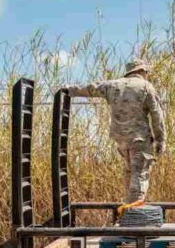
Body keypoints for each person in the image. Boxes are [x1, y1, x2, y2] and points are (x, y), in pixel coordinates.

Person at [64, 59, 166, 204]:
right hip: (139, 139)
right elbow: (157, 115)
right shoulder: (145, 86)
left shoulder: (113, 85)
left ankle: (128, 206)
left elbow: (91, 88)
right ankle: (132, 212)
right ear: (142, 71)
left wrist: (69, 90)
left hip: (121, 139)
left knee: (129, 172)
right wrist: (160, 140)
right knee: (139, 173)